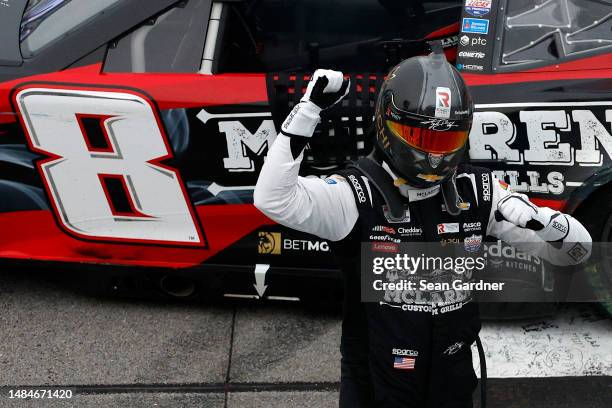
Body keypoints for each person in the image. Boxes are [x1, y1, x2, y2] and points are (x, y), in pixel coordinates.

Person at [254, 49, 592, 408]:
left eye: (444, 142)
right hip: (379, 382)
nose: (433, 157)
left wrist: (545, 222)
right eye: (422, 139)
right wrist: (308, 110)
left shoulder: (480, 192)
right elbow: (273, 199)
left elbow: (575, 252)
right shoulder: (354, 195)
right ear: (387, 124)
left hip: (453, 372)